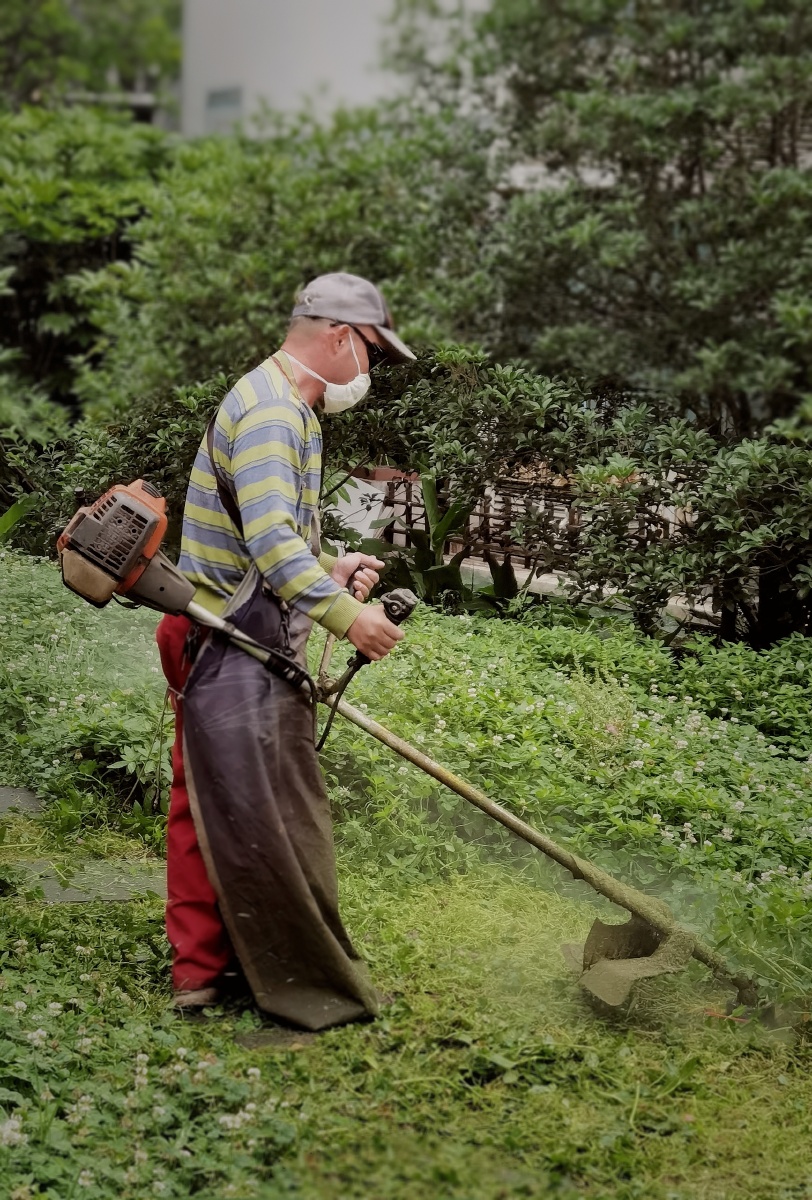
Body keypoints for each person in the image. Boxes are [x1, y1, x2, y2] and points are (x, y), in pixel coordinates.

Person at [155, 273, 415, 1029]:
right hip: (217, 640)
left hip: (243, 631)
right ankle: (202, 975)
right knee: (212, 804)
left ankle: (245, 954)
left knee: (254, 805)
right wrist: (345, 615)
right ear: (338, 334)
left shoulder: (288, 407)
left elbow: (267, 538)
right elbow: (270, 545)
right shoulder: (273, 412)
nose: (369, 373)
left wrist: (327, 569)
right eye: (371, 352)